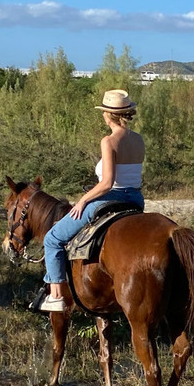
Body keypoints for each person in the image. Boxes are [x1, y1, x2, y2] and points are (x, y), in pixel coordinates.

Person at [34, 89, 146, 313]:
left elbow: (107, 183)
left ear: (107, 115)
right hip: (136, 198)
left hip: (110, 197)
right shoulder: (138, 139)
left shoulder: (109, 141)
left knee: (53, 239)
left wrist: (82, 201)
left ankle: (56, 295)